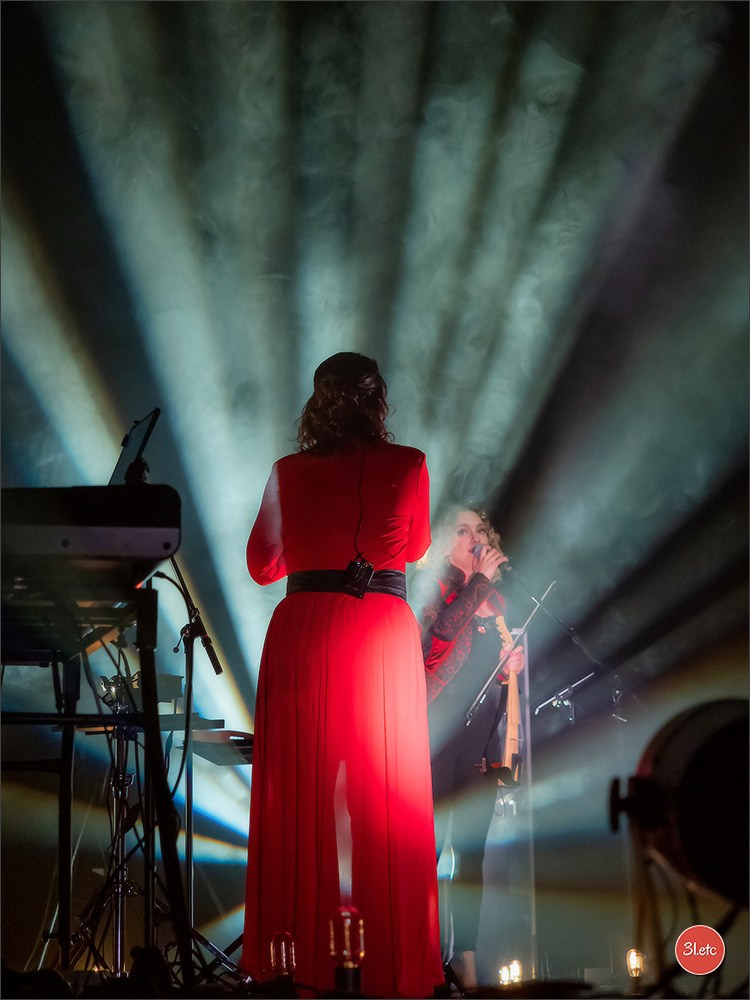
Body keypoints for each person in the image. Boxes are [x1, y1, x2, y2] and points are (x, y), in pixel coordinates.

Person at [240, 353, 444, 999]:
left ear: (316, 403)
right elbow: (412, 549)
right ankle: (392, 967)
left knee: (302, 793)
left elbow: (261, 566)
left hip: (305, 632)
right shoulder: (409, 464)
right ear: (378, 400)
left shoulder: (287, 472)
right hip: (381, 632)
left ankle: (294, 962)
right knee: (385, 795)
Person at [412, 506, 525, 990]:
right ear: (441, 543)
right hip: (433, 736)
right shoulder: (434, 587)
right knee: (428, 849)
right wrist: (476, 581)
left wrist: (507, 668)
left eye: (480, 530)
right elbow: (437, 639)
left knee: (473, 854)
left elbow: (485, 677)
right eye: (462, 531)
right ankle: (416, 952)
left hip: (476, 741)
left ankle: (467, 957)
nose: (475, 538)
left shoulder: (494, 603)